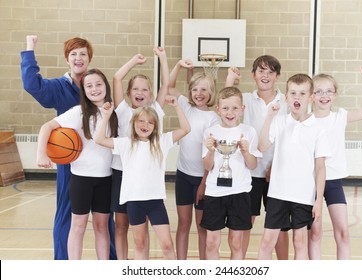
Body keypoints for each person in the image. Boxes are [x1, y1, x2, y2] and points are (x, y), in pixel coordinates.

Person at [20, 35, 117, 260]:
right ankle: (64, 265)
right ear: (67, 59)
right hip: (71, 164)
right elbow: (31, 84)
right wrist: (29, 49)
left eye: (83, 53)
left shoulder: (97, 88)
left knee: (105, 221)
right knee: (69, 218)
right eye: (73, 54)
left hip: (103, 165)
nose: (78, 57)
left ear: (89, 58)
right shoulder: (59, 87)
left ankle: (111, 263)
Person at [95, 95, 191, 260]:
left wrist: (176, 107)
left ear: (155, 126)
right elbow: (99, 139)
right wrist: (105, 116)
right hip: (134, 202)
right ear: (133, 123)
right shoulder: (125, 143)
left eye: (150, 122)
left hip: (155, 202)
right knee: (139, 243)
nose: (145, 125)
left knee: (167, 244)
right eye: (141, 121)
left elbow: (185, 129)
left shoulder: (161, 142)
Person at [308, 66, 362, 260]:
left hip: (333, 181)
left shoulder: (340, 117)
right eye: (319, 91)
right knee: (314, 233)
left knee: (343, 233)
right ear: (311, 96)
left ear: (335, 94)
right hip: (310, 182)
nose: (324, 95)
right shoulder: (306, 121)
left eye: (329, 91)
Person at [257, 73, 331, 260]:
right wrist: (268, 117)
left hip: (303, 195)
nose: (297, 97)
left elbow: (320, 167)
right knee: (267, 242)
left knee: (300, 243)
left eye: (302, 93)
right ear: (286, 97)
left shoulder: (319, 128)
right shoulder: (279, 121)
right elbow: (262, 146)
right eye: (293, 93)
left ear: (311, 97)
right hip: (277, 193)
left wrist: (318, 201)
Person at [225, 55, 289, 259]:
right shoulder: (245, 99)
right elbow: (226, 100)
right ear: (253, 75)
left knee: (278, 225)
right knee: (245, 222)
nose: (266, 75)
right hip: (249, 172)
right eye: (261, 71)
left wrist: (275, 164)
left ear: (277, 76)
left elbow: (287, 138)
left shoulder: (286, 101)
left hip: (276, 173)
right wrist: (229, 78)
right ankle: (240, 266)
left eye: (271, 72)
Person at [110, 47, 168, 259]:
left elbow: (166, 85)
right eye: (136, 89)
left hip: (144, 179)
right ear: (129, 93)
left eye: (145, 90)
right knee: (121, 225)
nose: (140, 93)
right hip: (121, 173)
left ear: (150, 95)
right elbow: (117, 78)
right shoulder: (123, 110)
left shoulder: (154, 112)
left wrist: (162, 58)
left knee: (141, 228)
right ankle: (122, 264)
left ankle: (141, 264)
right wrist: (133, 61)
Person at [201, 86, 262, 260]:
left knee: (236, 242)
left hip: (239, 192)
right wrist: (211, 150)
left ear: (242, 109)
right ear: (218, 109)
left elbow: (252, 165)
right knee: (212, 242)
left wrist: (245, 151)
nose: (230, 112)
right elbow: (207, 166)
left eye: (235, 108)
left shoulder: (249, 132)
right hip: (214, 192)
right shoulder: (210, 132)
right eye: (226, 108)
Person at [169, 60, 220, 260]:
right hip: (183, 176)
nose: (199, 93)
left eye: (204, 90)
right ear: (190, 92)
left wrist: (204, 183)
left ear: (212, 92)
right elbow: (170, 87)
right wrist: (179, 66)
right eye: (195, 89)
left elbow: (210, 153)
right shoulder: (186, 107)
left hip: (202, 180)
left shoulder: (214, 118)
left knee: (201, 228)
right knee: (183, 225)